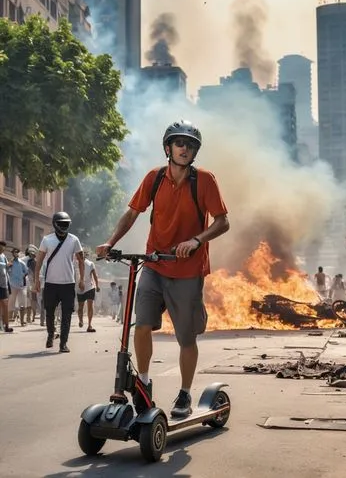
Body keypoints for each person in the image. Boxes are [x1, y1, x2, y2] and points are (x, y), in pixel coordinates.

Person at [96, 119, 229, 418]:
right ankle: (143, 382)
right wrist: (110, 241)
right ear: (168, 147)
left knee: (186, 338)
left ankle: (184, 393)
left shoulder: (204, 180)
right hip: (154, 264)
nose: (185, 148)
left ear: (195, 152)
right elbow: (132, 213)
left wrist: (197, 239)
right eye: (179, 143)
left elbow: (223, 221)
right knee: (141, 325)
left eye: (191, 145)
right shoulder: (154, 178)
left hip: (187, 270)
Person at [34, 212, 84, 353]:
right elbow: (39, 261)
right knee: (49, 312)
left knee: (67, 315)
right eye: (61, 223)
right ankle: (51, 334)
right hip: (50, 283)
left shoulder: (74, 240)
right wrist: (36, 280)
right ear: (55, 224)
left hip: (68, 284)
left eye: (66, 223)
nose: (63, 226)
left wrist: (81, 279)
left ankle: (63, 343)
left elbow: (81, 260)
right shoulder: (47, 240)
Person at [76, 249, 100, 332]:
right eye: (80, 254)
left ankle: (89, 325)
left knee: (90, 305)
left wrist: (97, 285)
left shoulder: (90, 264)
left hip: (90, 287)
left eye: (83, 254)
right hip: (79, 288)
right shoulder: (75, 263)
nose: (82, 256)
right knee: (80, 307)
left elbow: (95, 275)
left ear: (85, 255)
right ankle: (80, 320)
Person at [7, 248, 28, 326]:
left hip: (20, 285)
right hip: (12, 285)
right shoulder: (10, 263)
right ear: (12, 253)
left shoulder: (21, 263)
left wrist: (22, 276)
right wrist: (9, 266)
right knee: (11, 303)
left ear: (18, 253)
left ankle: (22, 321)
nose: (15, 254)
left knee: (22, 303)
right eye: (14, 253)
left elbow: (26, 271)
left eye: (17, 252)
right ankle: (8, 321)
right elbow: (6, 270)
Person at [0, 241, 13, 333]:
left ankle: (6, 325)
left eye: (3, 247)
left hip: (3, 284)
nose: (2, 249)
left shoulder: (3, 256)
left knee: (5, 305)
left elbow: (7, 269)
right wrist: (6, 265)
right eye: (1, 247)